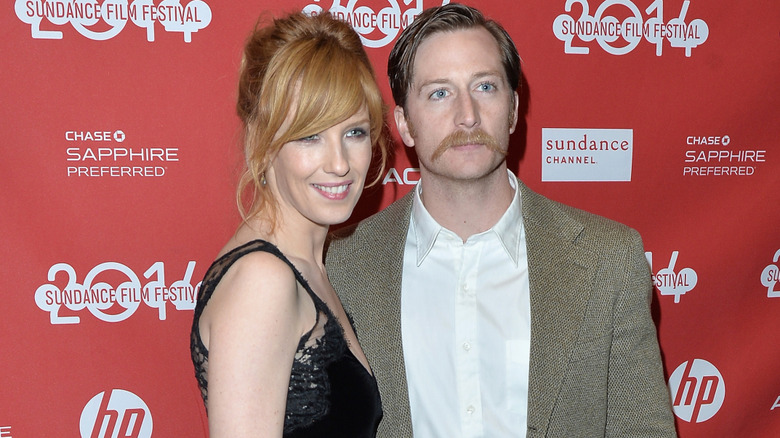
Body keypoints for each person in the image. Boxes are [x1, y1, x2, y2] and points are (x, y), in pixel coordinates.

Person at [326, 3, 677, 437]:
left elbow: (642, 429)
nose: (467, 115)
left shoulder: (610, 260)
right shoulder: (341, 266)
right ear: (405, 125)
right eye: (439, 92)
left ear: (512, 108)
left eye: (485, 87)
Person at [190, 11, 389, 437]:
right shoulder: (263, 280)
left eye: (354, 132)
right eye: (309, 136)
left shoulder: (306, 265)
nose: (339, 164)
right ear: (264, 141)